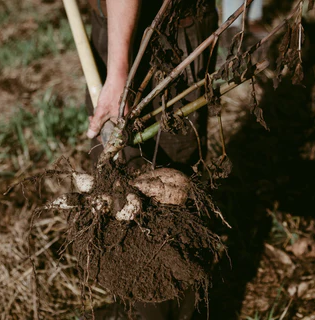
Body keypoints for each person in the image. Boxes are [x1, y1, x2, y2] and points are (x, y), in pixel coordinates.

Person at [83, 1, 219, 319]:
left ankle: (165, 310)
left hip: (162, 33)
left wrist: (118, 74)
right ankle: (138, 303)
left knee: (162, 194)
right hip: (119, 24)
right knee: (122, 196)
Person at [85, 0, 218, 174]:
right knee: (110, 171)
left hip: (175, 31)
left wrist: (117, 75)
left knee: (174, 167)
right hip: (111, 24)